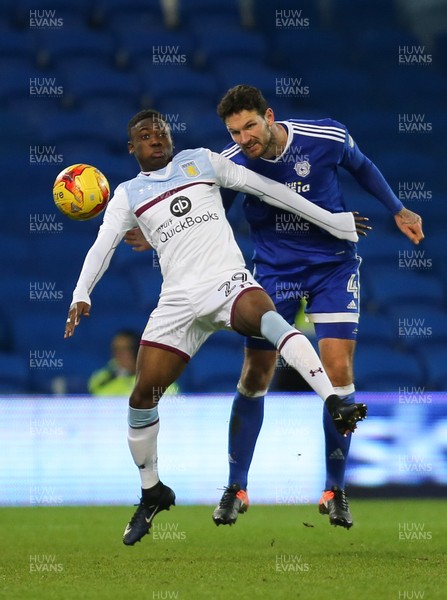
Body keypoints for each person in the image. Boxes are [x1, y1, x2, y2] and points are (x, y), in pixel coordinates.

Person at [64, 109, 367, 546]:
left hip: (228, 282)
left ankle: (335, 401)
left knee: (272, 322)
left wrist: (333, 220)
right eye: (145, 135)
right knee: (141, 398)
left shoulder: (202, 161)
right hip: (178, 303)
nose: (155, 138)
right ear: (132, 148)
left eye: (161, 131)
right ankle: (153, 492)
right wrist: (81, 293)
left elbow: (271, 189)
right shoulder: (128, 195)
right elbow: (102, 246)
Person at [207, 85, 423, 529]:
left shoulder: (323, 137)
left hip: (333, 268)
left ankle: (335, 491)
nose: (244, 137)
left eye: (250, 125)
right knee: (254, 375)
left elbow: (362, 167)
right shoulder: (232, 164)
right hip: (273, 273)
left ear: (269, 115)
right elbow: (213, 214)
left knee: (338, 373)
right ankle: (235, 488)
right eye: (235, 131)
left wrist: (398, 209)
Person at [88, 330, 139, 396]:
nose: (118, 354)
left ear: (137, 351)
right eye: (116, 349)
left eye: (125, 349)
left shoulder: (148, 381)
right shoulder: (100, 379)